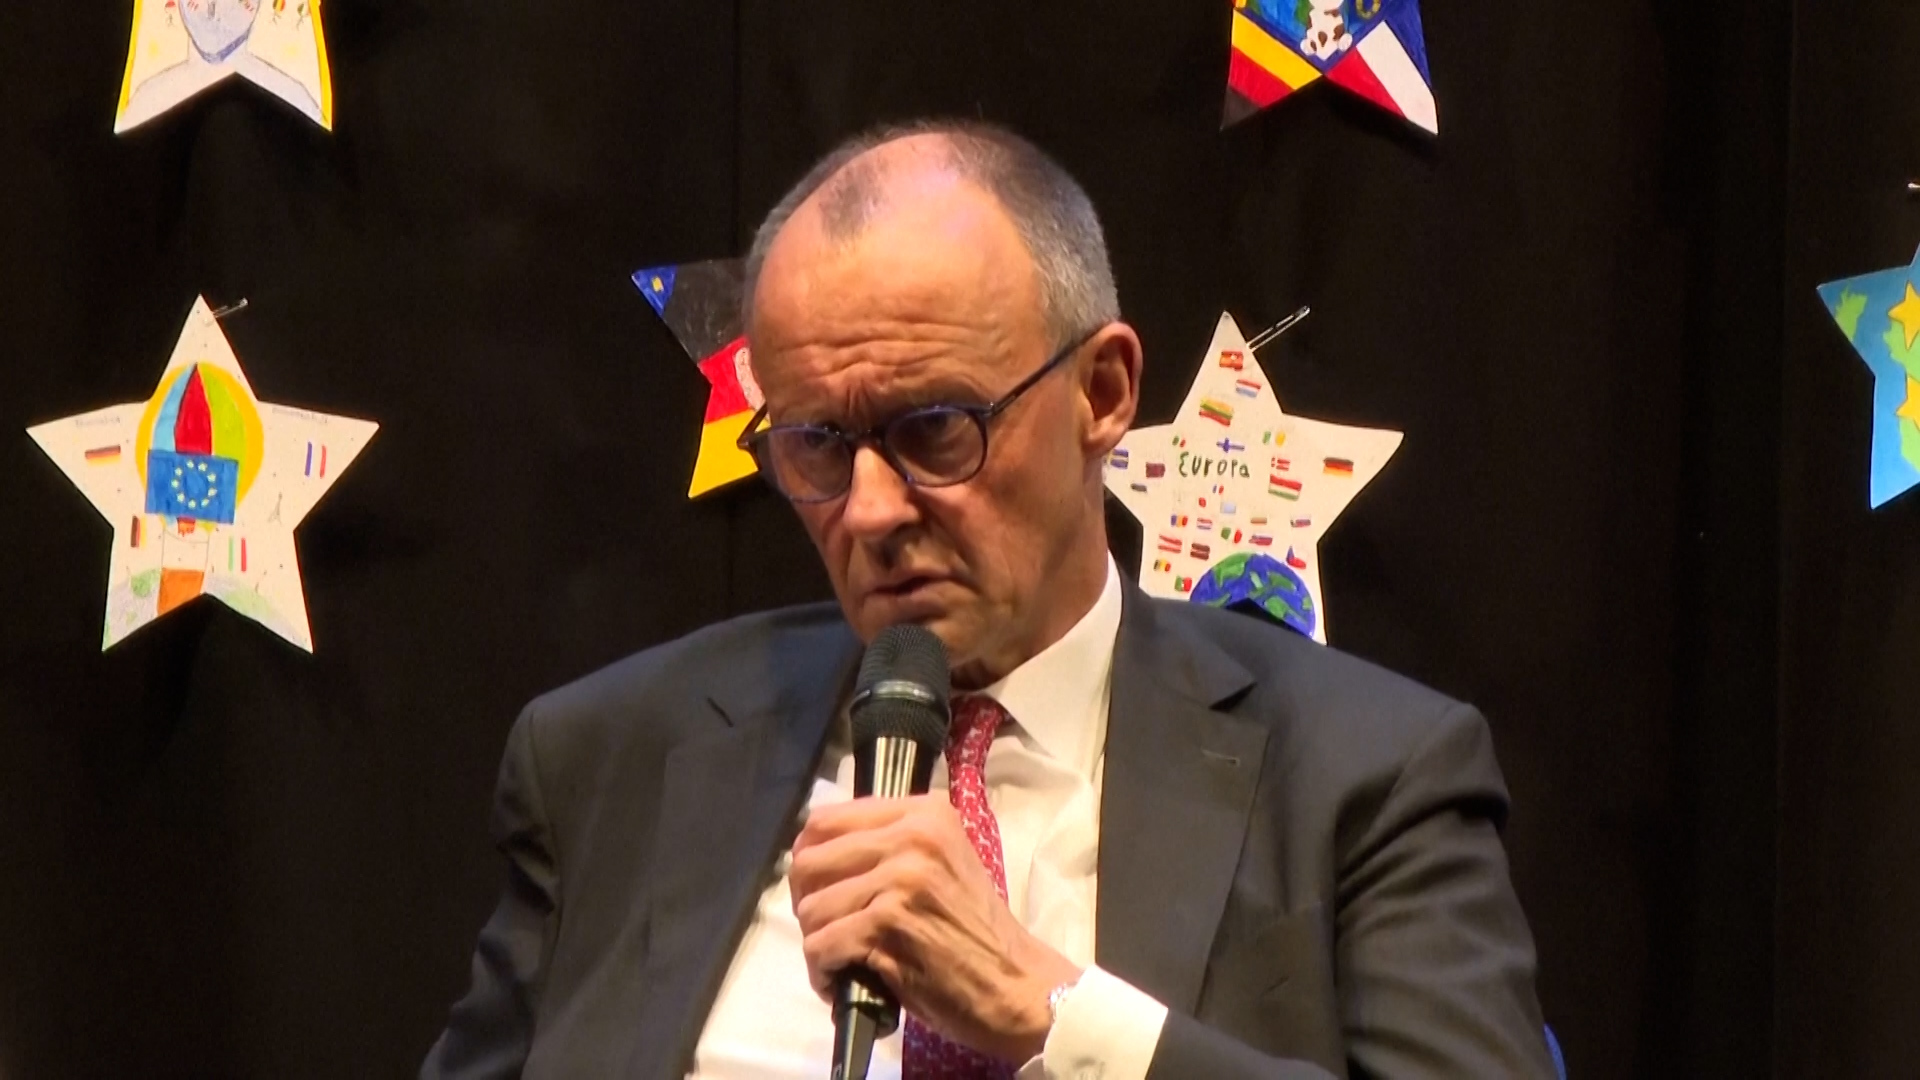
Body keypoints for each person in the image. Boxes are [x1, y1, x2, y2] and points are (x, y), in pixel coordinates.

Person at [422, 120, 1555, 1079]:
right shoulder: (607, 758)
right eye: (818, 445)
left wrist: (1046, 1009)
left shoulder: (1368, 775)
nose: (871, 511)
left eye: (934, 430)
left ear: (1102, 393)